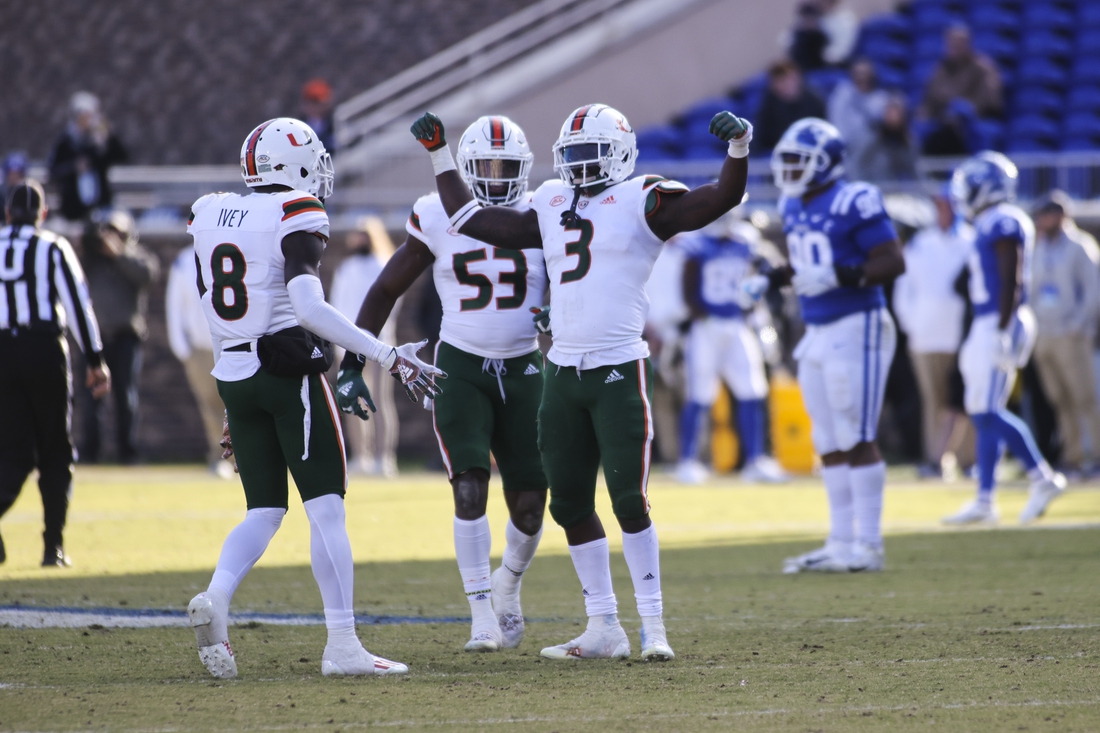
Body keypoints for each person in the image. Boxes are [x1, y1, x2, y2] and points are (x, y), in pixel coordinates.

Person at [409, 102, 753, 660]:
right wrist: (442, 157)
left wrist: (738, 150)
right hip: (562, 373)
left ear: (620, 154)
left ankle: (654, 628)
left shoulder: (644, 198)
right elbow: (476, 221)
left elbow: (719, 198)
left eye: (594, 155)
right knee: (567, 503)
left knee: (629, 501)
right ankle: (603, 626)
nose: (584, 168)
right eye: (574, 157)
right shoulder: (550, 200)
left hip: (618, 367)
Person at [185, 117, 442, 679]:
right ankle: (343, 645)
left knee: (263, 509)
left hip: (234, 371)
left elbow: (211, 302)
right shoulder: (294, 213)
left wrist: (235, 390)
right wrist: (388, 354)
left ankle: (216, 599)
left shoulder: (210, 212)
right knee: (326, 510)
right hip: (286, 376)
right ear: (291, 162)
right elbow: (307, 309)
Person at [338, 116, 548, 653]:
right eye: (486, 167)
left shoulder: (545, 212)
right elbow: (388, 287)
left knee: (530, 504)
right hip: (461, 366)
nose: (498, 178)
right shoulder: (435, 212)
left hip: (526, 368)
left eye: (507, 168)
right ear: (465, 168)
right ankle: (481, 614)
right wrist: (352, 360)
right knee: (469, 485)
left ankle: (507, 586)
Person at [746, 118, 906, 574]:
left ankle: (869, 545)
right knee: (828, 438)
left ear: (828, 163)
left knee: (857, 433)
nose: (792, 170)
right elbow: (806, 263)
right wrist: (770, 278)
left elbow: (893, 260)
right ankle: (840, 543)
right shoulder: (793, 205)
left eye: (800, 161)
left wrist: (844, 275)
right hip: (818, 329)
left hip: (858, 323)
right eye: (788, 161)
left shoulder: (855, 198)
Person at [942, 152, 1066, 526]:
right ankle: (985, 499)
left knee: (987, 411)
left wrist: (1001, 328)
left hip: (999, 320)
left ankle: (1042, 478)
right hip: (989, 320)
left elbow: (1010, 278)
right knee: (982, 411)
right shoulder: (988, 221)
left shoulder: (1004, 219)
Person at [0, 180, 110, 567]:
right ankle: (53, 547)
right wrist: (95, 359)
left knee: (10, 451)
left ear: (9, 213)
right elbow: (78, 304)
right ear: (42, 214)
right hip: (44, 350)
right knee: (54, 450)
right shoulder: (52, 246)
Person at [675, 213, 788, 485]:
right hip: (706, 326)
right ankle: (687, 461)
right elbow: (687, 288)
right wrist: (700, 316)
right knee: (699, 393)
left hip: (738, 325)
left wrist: (758, 320)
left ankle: (755, 460)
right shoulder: (695, 243)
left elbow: (759, 279)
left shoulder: (746, 241)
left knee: (752, 389)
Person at [893, 188, 975, 478]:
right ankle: (937, 460)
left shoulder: (971, 241)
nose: (943, 211)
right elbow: (905, 289)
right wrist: (912, 324)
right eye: (939, 205)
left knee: (966, 401)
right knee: (934, 402)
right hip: (925, 336)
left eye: (948, 205)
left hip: (962, 336)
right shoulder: (920, 244)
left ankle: (969, 461)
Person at [78, 209, 159, 464]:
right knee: (91, 397)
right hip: (96, 338)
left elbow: (147, 276)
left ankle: (128, 451)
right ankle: (91, 451)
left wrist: (120, 254)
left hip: (126, 337)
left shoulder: (136, 256)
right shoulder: (92, 261)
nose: (110, 237)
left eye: (116, 232)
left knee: (126, 397)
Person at [1028, 191, 1100, 478]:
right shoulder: (1039, 247)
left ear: (1060, 215)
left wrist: (1078, 324)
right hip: (1044, 333)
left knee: (1084, 398)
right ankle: (1072, 457)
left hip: (1071, 334)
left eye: (1046, 215)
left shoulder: (1081, 245)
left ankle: (1096, 455)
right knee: (1059, 399)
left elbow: (1093, 290)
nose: (1041, 221)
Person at [328, 220, 399, 477]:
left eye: (363, 235)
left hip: (380, 344)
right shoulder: (346, 268)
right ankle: (361, 457)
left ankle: (384, 458)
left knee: (380, 400)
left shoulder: (383, 265)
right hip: (347, 345)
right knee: (352, 400)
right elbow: (336, 304)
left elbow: (391, 304)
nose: (358, 240)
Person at [165, 245, 232, 478]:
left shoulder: (229, 250)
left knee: (238, 402)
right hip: (201, 347)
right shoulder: (184, 260)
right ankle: (221, 457)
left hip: (233, 343)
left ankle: (247, 457)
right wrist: (183, 349)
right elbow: (175, 305)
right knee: (211, 405)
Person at [919, 25, 1003, 156]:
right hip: (944, 122)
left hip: (974, 120)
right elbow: (930, 100)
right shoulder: (940, 70)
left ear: (968, 44)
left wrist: (964, 111)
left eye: (960, 43)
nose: (955, 47)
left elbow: (990, 99)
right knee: (925, 130)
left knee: (963, 116)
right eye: (952, 43)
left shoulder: (982, 68)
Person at [48, 92, 128, 222]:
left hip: (100, 208)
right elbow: (53, 172)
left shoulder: (100, 142)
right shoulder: (66, 143)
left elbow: (122, 156)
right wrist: (74, 167)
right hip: (73, 209)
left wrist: (109, 135)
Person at [827, 59, 889, 180]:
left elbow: (883, 128)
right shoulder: (842, 94)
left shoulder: (881, 99)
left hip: (874, 152)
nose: (862, 77)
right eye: (858, 73)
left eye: (865, 73)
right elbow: (836, 124)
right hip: (847, 151)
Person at [755, 60, 827, 151]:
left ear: (798, 78)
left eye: (789, 79)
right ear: (773, 86)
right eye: (780, 81)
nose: (786, 85)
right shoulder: (768, 105)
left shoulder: (814, 102)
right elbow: (761, 140)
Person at [859, 95, 918, 183]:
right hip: (875, 184)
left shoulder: (907, 141)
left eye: (897, 113)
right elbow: (858, 163)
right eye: (890, 112)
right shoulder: (872, 138)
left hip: (897, 191)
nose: (893, 117)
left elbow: (915, 170)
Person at [300, 79, 336, 153]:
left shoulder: (334, 123)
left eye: (317, 102)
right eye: (312, 102)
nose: (315, 107)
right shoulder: (299, 126)